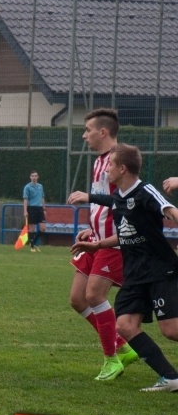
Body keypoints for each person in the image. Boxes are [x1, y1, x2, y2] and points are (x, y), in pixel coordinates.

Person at [71, 143, 178, 392]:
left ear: (122, 168)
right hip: (135, 273)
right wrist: (97, 246)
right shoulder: (120, 197)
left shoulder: (145, 191)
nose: (106, 169)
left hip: (160, 270)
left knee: (171, 331)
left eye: (110, 165)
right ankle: (171, 378)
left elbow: (170, 210)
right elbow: (126, 235)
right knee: (125, 326)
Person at [65, 108, 137, 381]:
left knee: (94, 296)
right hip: (96, 238)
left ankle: (111, 360)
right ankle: (121, 347)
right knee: (76, 299)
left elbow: (127, 203)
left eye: (88, 130)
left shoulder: (121, 162)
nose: (84, 136)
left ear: (103, 132)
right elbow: (103, 203)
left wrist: (88, 199)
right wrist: (90, 228)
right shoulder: (99, 162)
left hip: (114, 242)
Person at [22, 170, 46, 252]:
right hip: (31, 208)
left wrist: (44, 209)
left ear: (38, 177)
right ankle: (32, 246)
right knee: (32, 228)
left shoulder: (40, 186)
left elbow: (42, 198)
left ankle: (33, 242)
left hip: (39, 209)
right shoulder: (27, 187)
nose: (34, 177)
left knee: (43, 228)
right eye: (32, 176)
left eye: (35, 176)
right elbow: (25, 199)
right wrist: (25, 211)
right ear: (30, 177)